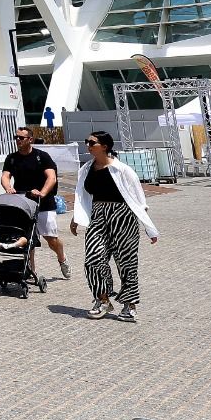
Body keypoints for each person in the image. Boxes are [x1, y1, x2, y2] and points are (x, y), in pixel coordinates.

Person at [70, 131, 159, 321]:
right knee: (93, 258)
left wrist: (148, 227)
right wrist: (76, 218)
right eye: (87, 142)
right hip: (98, 215)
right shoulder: (86, 169)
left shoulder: (123, 170)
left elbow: (139, 200)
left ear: (104, 146)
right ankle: (103, 300)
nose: (88, 145)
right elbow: (81, 196)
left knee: (126, 262)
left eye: (92, 142)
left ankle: (129, 303)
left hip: (123, 215)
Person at [1, 128, 69, 278]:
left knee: (51, 239)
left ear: (30, 139)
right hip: (23, 203)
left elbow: (51, 177)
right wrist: (8, 187)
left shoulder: (42, 157)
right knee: (27, 238)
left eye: (21, 138)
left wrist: (42, 193)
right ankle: (30, 270)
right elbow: (5, 176)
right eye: (16, 137)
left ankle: (62, 258)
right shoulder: (12, 158)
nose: (18, 140)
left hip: (43, 202)